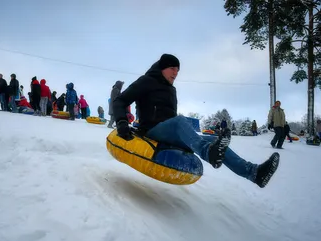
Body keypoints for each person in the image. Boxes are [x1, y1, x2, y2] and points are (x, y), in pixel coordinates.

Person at [112, 54, 280, 188]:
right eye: (172, 69)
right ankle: (208, 153)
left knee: (214, 140)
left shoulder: (171, 90)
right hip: (151, 130)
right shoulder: (146, 81)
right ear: (162, 68)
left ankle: (254, 173)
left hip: (169, 134)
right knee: (180, 121)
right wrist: (121, 122)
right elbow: (120, 100)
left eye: (177, 70)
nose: (175, 73)